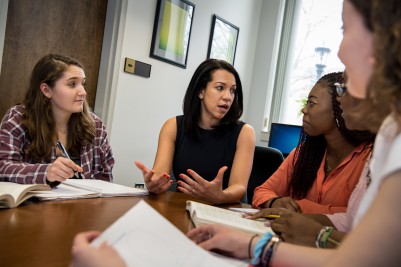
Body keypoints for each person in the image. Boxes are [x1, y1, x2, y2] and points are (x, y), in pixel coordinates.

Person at [187, 0, 401, 266]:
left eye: (345, 30)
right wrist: (254, 242)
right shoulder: (386, 137)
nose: (341, 51)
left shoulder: (384, 146)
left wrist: (309, 224)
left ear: (384, 41)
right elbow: (352, 224)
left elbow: (365, 254)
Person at [135, 59, 255, 204]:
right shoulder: (172, 126)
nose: (228, 97)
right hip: (180, 209)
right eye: (219, 88)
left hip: (222, 212)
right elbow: (161, 174)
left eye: (232, 90)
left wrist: (220, 196)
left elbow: (239, 186)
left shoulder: (245, 133)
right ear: (201, 91)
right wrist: (154, 184)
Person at [252, 72, 374, 214]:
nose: (304, 110)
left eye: (312, 103)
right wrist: (274, 202)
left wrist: (301, 208)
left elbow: (361, 217)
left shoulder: (370, 158)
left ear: (339, 107)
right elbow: (262, 192)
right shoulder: (303, 153)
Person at [0, 54, 114, 186]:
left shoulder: (96, 125)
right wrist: (46, 172)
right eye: (72, 84)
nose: (83, 92)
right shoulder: (18, 118)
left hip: (85, 205)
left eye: (83, 83)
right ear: (46, 90)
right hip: (34, 206)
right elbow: (2, 167)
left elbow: (106, 180)